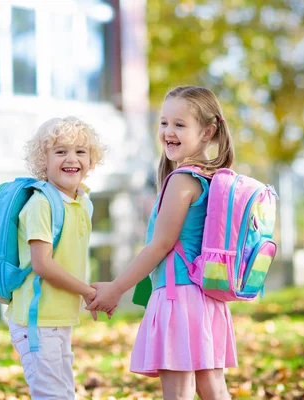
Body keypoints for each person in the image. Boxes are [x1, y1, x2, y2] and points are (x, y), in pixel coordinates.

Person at [87, 86, 237, 400]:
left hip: (178, 297)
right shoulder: (211, 177)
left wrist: (116, 287)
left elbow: (160, 245)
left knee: (179, 393)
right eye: (164, 122)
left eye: (180, 125)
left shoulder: (183, 179)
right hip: (205, 297)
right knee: (213, 388)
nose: (168, 132)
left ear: (207, 131)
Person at [6, 116, 105, 399]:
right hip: (36, 321)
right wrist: (87, 292)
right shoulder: (41, 204)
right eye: (60, 151)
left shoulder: (82, 201)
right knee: (52, 395)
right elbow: (43, 264)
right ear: (43, 160)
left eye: (80, 151)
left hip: (59, 317)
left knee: (63, 393)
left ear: (91, 160)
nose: (71, 158)